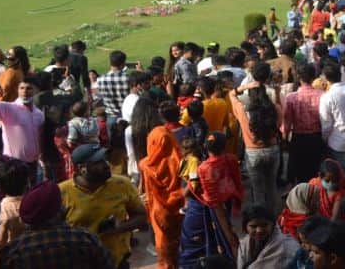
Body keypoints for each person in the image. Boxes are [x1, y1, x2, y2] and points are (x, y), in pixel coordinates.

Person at [59, 143, 147, 268]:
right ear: (82, 168)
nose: (106, 165)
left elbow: (141, 216)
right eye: (98, 162)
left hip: (118, 261)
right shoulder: (61, 192)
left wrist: (119, 227)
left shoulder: (122, 184)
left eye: (105, 160)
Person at [0, 180, 116, 269]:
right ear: (57, 210)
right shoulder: (85, 239)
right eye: (61, 202)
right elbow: (108, 264)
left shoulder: (14, 251)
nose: (64, 206)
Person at [181, 132, 241, 266]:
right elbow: (237, 181)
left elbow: (209, 199)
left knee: (222, 239)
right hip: (227, 202)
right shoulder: (231, 159)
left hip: (212, 209)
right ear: (224, 146)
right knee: (225, 238)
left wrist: (190, 183)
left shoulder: (203, 168)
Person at [229, 63, 282, 212]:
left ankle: (261, 217)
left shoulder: (242, 109)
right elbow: (279, 121)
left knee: (257, 189)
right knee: (271, 185)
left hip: (253, 152)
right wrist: (277, 93)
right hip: (272, 149)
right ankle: (274, 216)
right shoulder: (274, 108)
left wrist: (244, 87)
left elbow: (231, 95)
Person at [139, 102, 185, 268]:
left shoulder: (145, 164)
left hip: (158, 210)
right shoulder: (180, 159)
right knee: (178, 241)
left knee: (163, 242)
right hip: (178, 205)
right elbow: (189, 181)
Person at [0, 78, 45, 177]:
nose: (24, 91)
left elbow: (40, 136)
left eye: (29, 88)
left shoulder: (39, 114)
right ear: (17, 90)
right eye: (21, 88)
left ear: (36, 90)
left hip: (33, 164)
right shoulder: (9, 109)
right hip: (13, 164)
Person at [237, 204, 300, 269]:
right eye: (253, 226)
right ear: (245, 227)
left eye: (264, 225)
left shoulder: (285, 246)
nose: (259, 230)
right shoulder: (244, 244)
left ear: (273, 225)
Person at [0, 159, 29, 247]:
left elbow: (1, 241)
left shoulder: (3, 208)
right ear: (26, 183)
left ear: (1, 186)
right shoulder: (32, 202)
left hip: (12, 254)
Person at [95, 51, 131, 120]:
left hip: (111, 116)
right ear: (123, 63)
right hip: (126, 115)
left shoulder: (100, 79)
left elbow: (100, 96)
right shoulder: (128, 78)